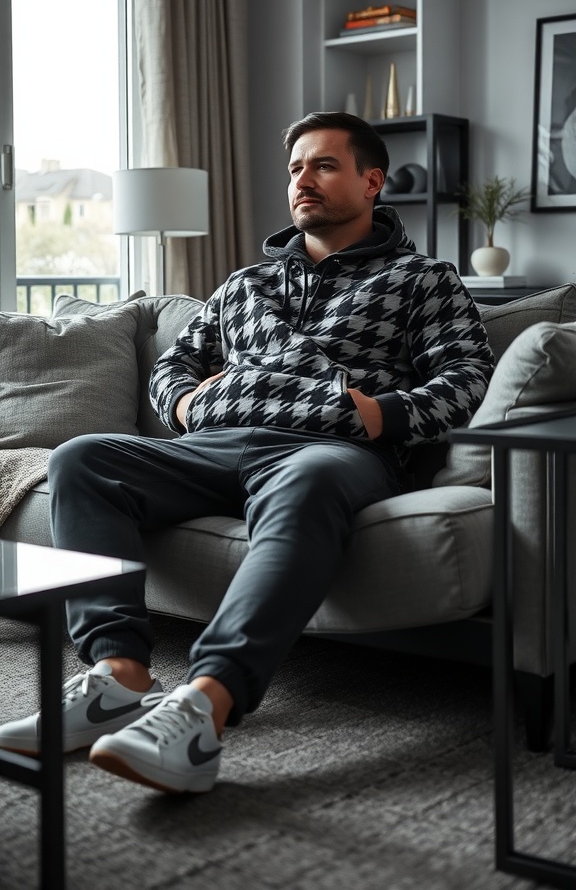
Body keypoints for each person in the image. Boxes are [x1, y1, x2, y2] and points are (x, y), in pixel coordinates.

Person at [0, 112, 494, 794]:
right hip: (216, 444)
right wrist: (188, 405)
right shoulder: (245, 286)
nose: (302, 180)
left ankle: (205, 705)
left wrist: (382, 414)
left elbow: (467, 379)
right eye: (295, 169)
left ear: (372, 180)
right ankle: (119, 672)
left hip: (329, 449)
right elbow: (172, 370)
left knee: (312, 479)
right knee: (84, 457)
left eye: (322, 165)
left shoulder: (424, 280)